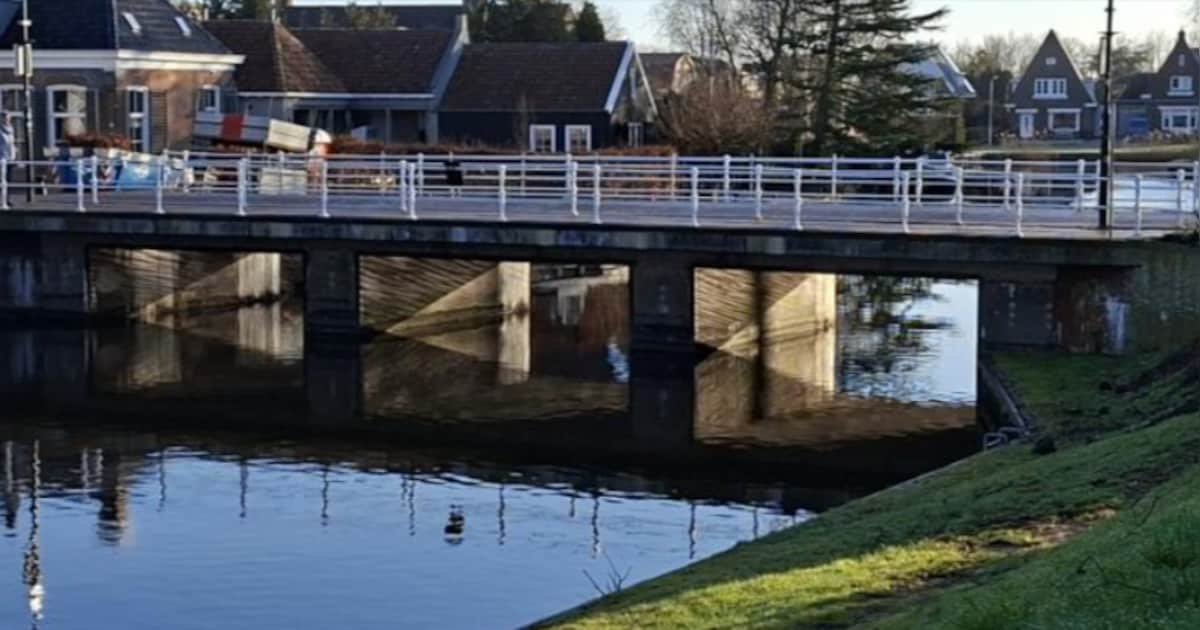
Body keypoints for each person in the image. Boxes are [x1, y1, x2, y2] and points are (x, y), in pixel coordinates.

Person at [0, 113, 15, 207]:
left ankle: (7, 199)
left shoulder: (11, 130)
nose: (7, 120)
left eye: (9, 118)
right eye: (5, 118)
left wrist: (13, 155)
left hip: (10, 158)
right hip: (1, 158)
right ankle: (2, 201)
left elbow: (11, 144)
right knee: (2, 180)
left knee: (8, 180)